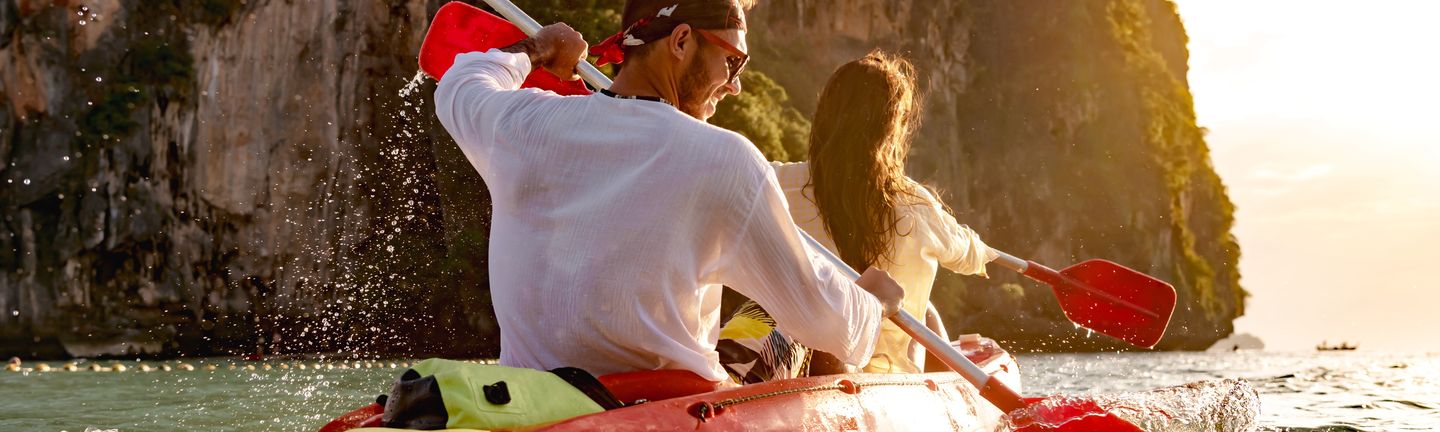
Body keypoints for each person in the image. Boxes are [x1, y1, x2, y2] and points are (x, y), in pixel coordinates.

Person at [431, 0, 904, 385]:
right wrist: (871, 304)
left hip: (534, 401)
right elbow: (825, 323)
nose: (735, 85)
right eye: (733, 60)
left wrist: (538, 49)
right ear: (680, 41)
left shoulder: (524, 124)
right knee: (778, 316)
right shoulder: (726, 160)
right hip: (662, 406)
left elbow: (460, 84)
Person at [720, 51, 997, 378]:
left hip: (798, 362)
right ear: (893, 129)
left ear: (825, 116)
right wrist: (984, 251)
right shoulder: (918, 206)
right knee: (930, 319)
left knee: (928, 316)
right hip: (880, 382)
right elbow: (967, 256)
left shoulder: (775, 182)